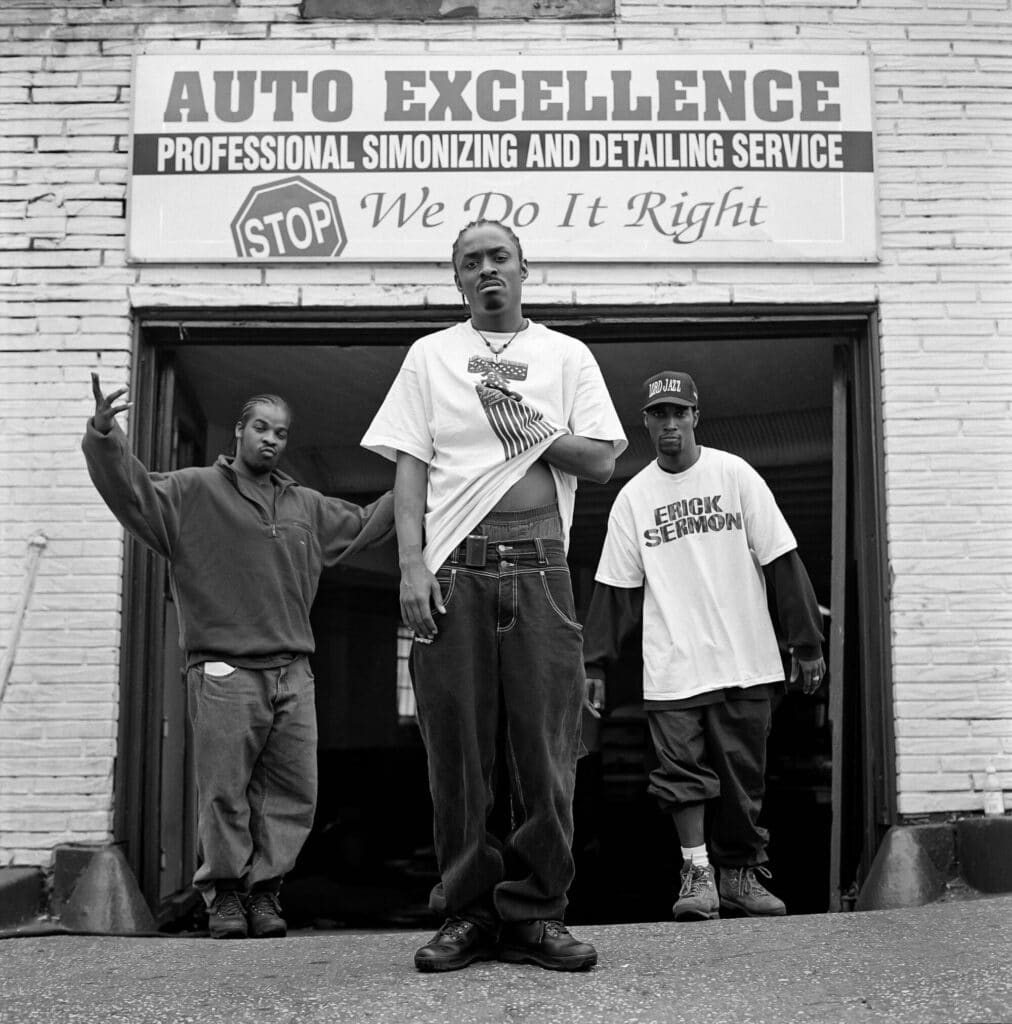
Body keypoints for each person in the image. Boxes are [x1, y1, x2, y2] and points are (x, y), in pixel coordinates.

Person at [361, 220, 626, 972]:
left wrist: (527, 427)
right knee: (457, 754)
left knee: (546, 749)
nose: (487, 272)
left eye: (498, 258)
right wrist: (411, 568)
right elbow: (409, 467)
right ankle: (469, 914)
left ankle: (536, 915)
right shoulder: (431, 356)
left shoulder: (565, 355)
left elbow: (603, 461)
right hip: (453, 570)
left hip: (541, 567)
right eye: (471, 262)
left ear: (522, 269)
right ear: (457, 279)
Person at [82, 375, 393, 939]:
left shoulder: (307, 506)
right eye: (261, 428)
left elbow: (370, 522)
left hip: (293, 671)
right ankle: (224, 896)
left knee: (293, 788)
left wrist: (422, 478)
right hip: (225, 668)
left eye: (281, 432)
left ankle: (265, 892)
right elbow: (131, 491)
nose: (271, 439)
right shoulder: (193, 490)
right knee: (225, 789)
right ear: (239, 433)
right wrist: (105, 436)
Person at [584, 371, 825, 922]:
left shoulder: (733, 473)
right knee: (679, 776)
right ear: (644, 422)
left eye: (679, 413)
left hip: (746, 657)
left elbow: (781, 559)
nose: (669, 424)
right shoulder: (634, 498)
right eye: (658, 414)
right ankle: (697, 874)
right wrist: (593, 663)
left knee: (743, 777)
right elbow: (614, 591)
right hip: (673, 663)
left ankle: (739, 874)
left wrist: (805, 642)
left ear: (696, 416)